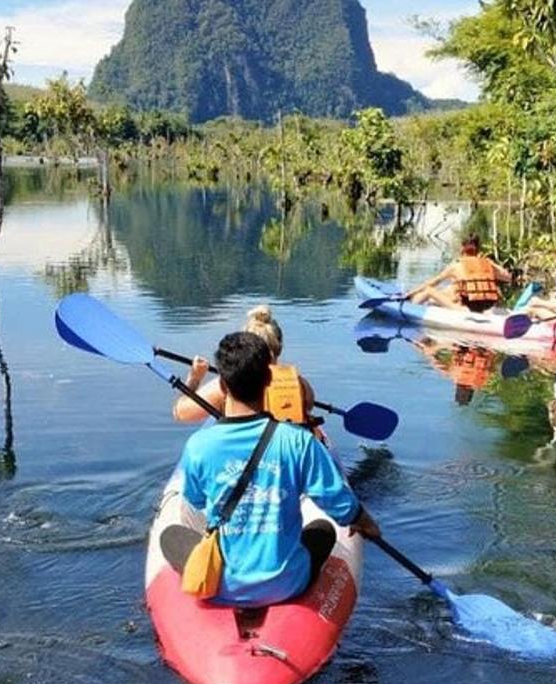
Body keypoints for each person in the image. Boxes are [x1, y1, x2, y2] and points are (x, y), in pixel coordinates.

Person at [170, 332, 381, 607]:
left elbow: (196, 500)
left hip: (224, 585)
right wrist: (365, 522)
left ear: (222, 385)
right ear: (269, 381)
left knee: (171, 537)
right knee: (322, 531)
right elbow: (339, 503)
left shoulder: (198, 445)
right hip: (286, 585)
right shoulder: (299, 441)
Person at [173, 305, 317, 427]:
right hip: (286, 453)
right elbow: (307, 408)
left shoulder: (228, 384)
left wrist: (195, 378)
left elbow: (181, 413)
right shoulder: (300, 384)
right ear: (279, 347)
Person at [403, 235, 512, 313]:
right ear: (479, 249)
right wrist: (491, 263)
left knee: (429, 291)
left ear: (462, 248)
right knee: (451, 289)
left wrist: (410, 293)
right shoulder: (487, 263)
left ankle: (407, 308)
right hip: (488, 307)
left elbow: (432, 283)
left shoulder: (456, 265)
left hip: (465, 310)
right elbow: (508, 277)